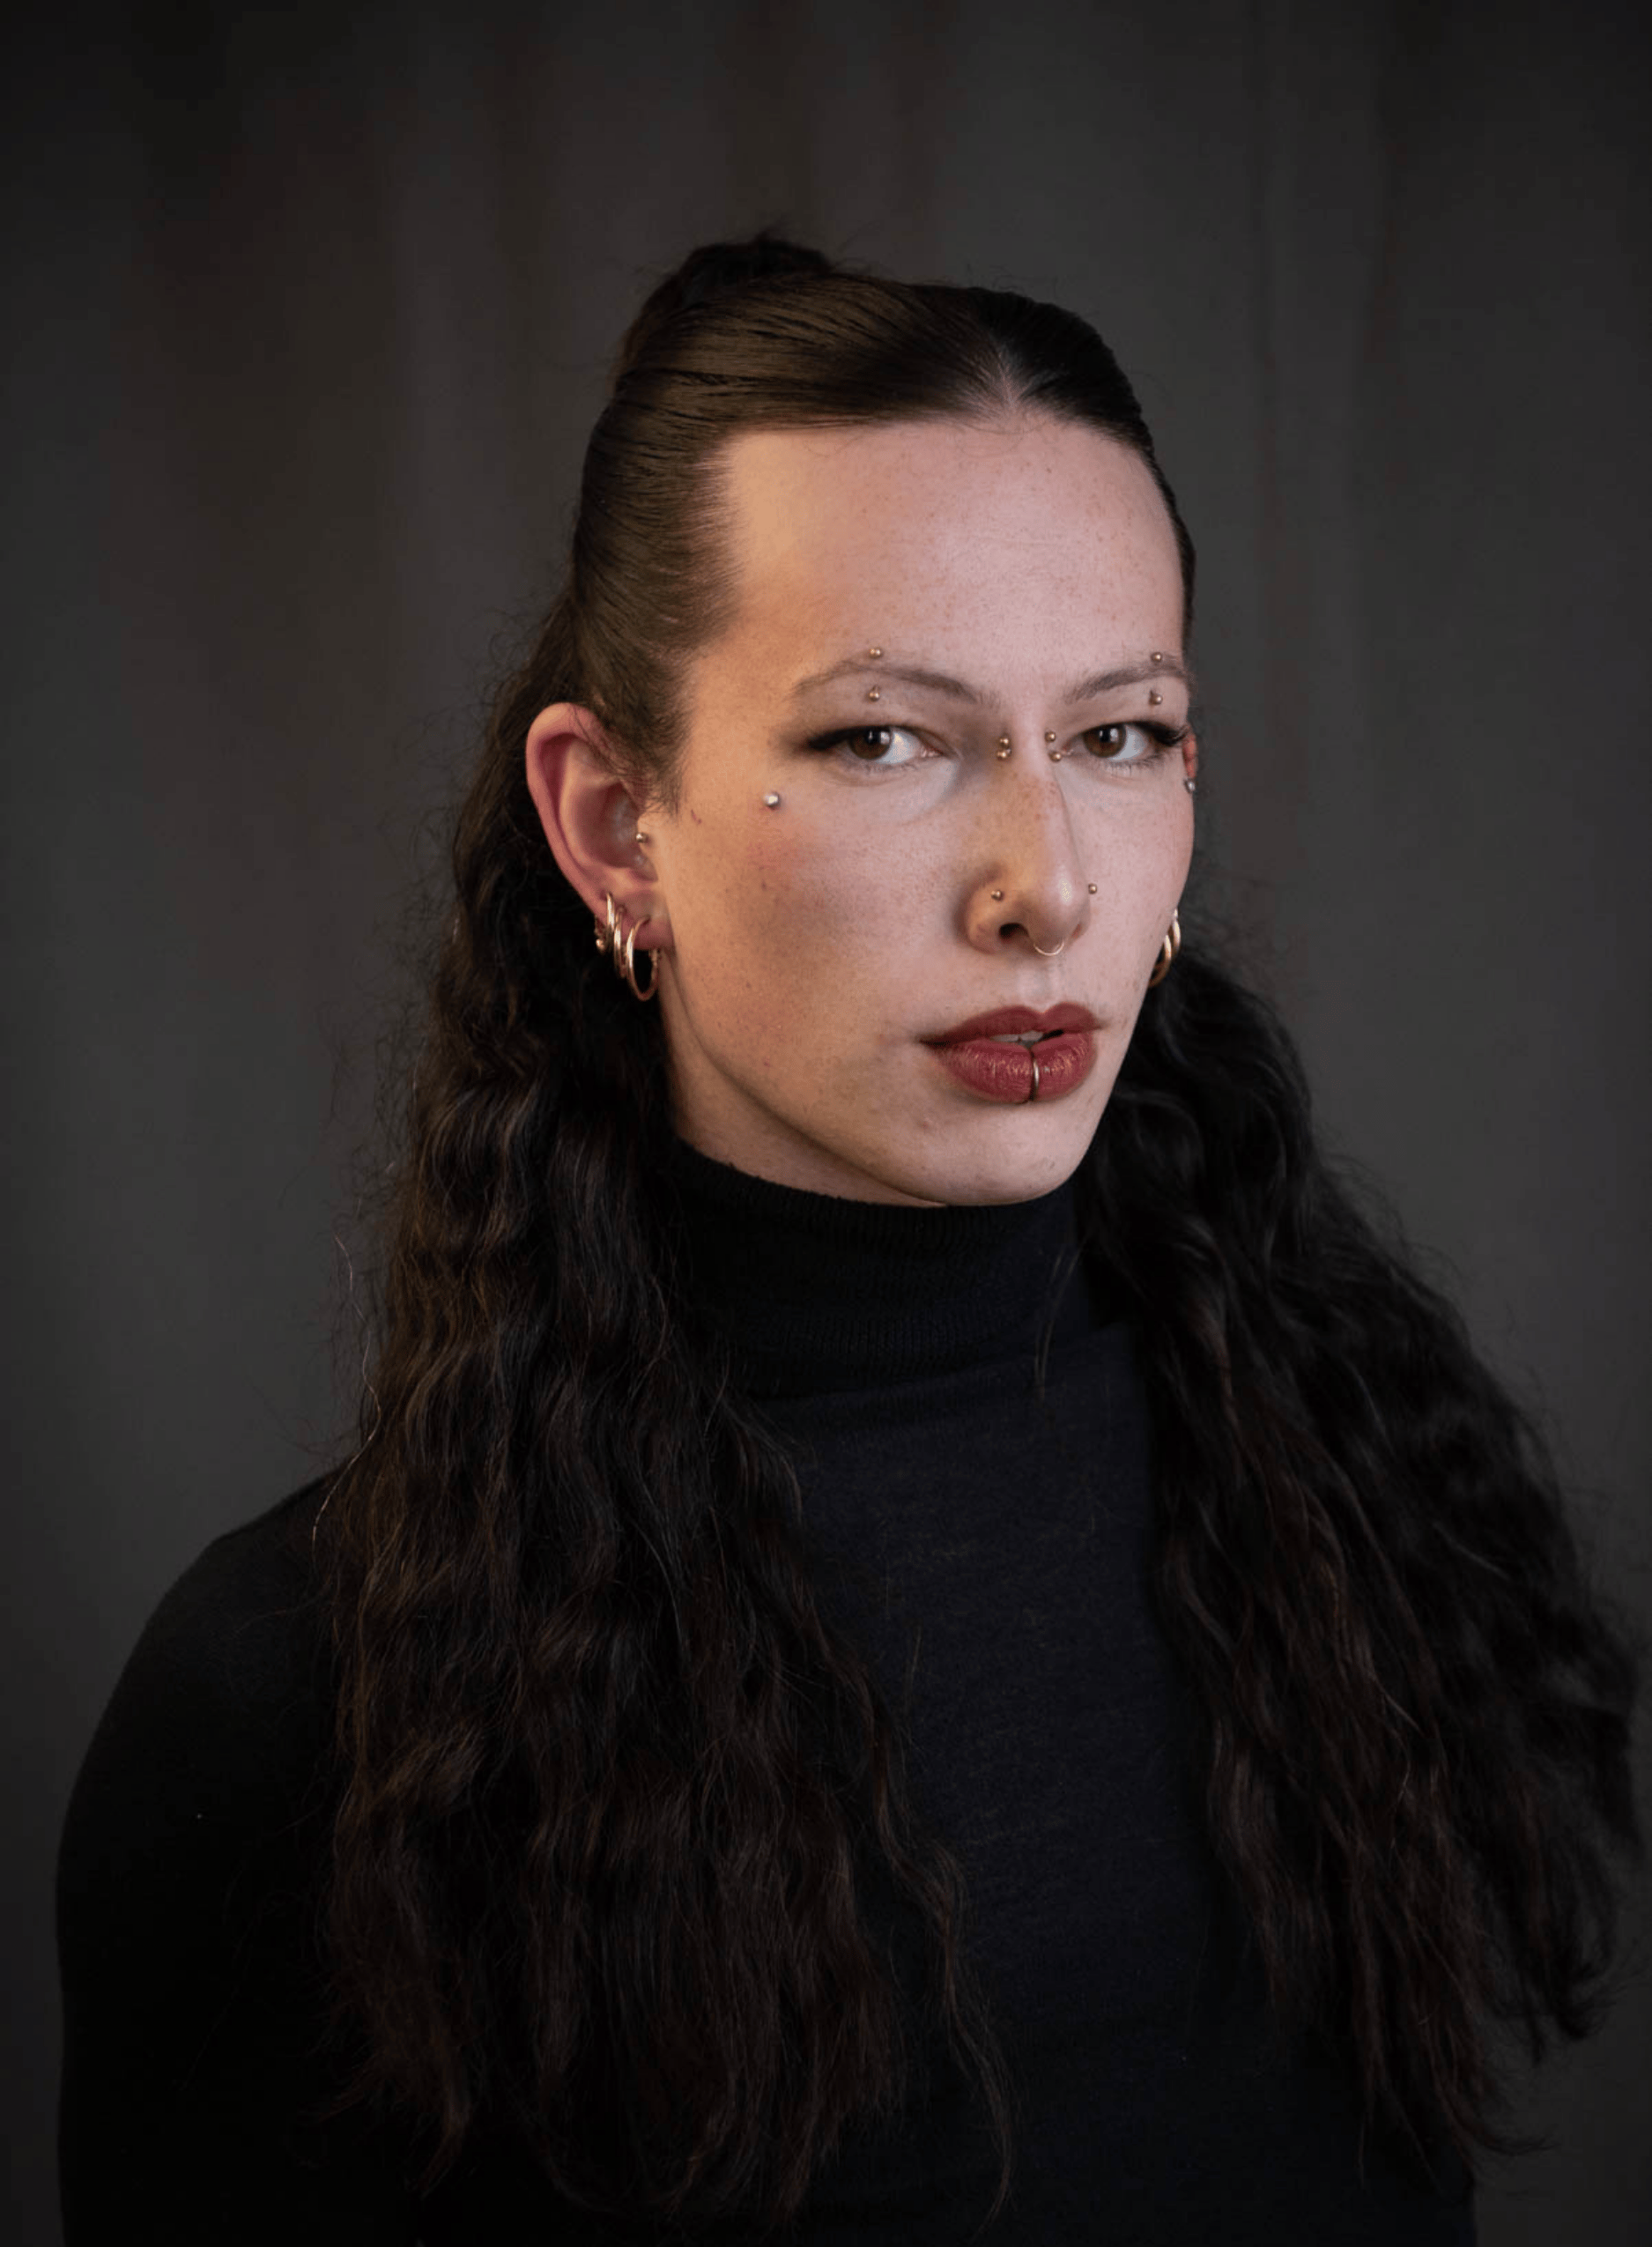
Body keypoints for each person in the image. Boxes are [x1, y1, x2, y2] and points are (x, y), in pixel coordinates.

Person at [57, 236, 1640, 2245]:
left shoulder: (1343, 1497)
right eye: (883, 738)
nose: (1044, 886)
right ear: (613, 824)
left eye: (1119, 733)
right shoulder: (304, 1704)